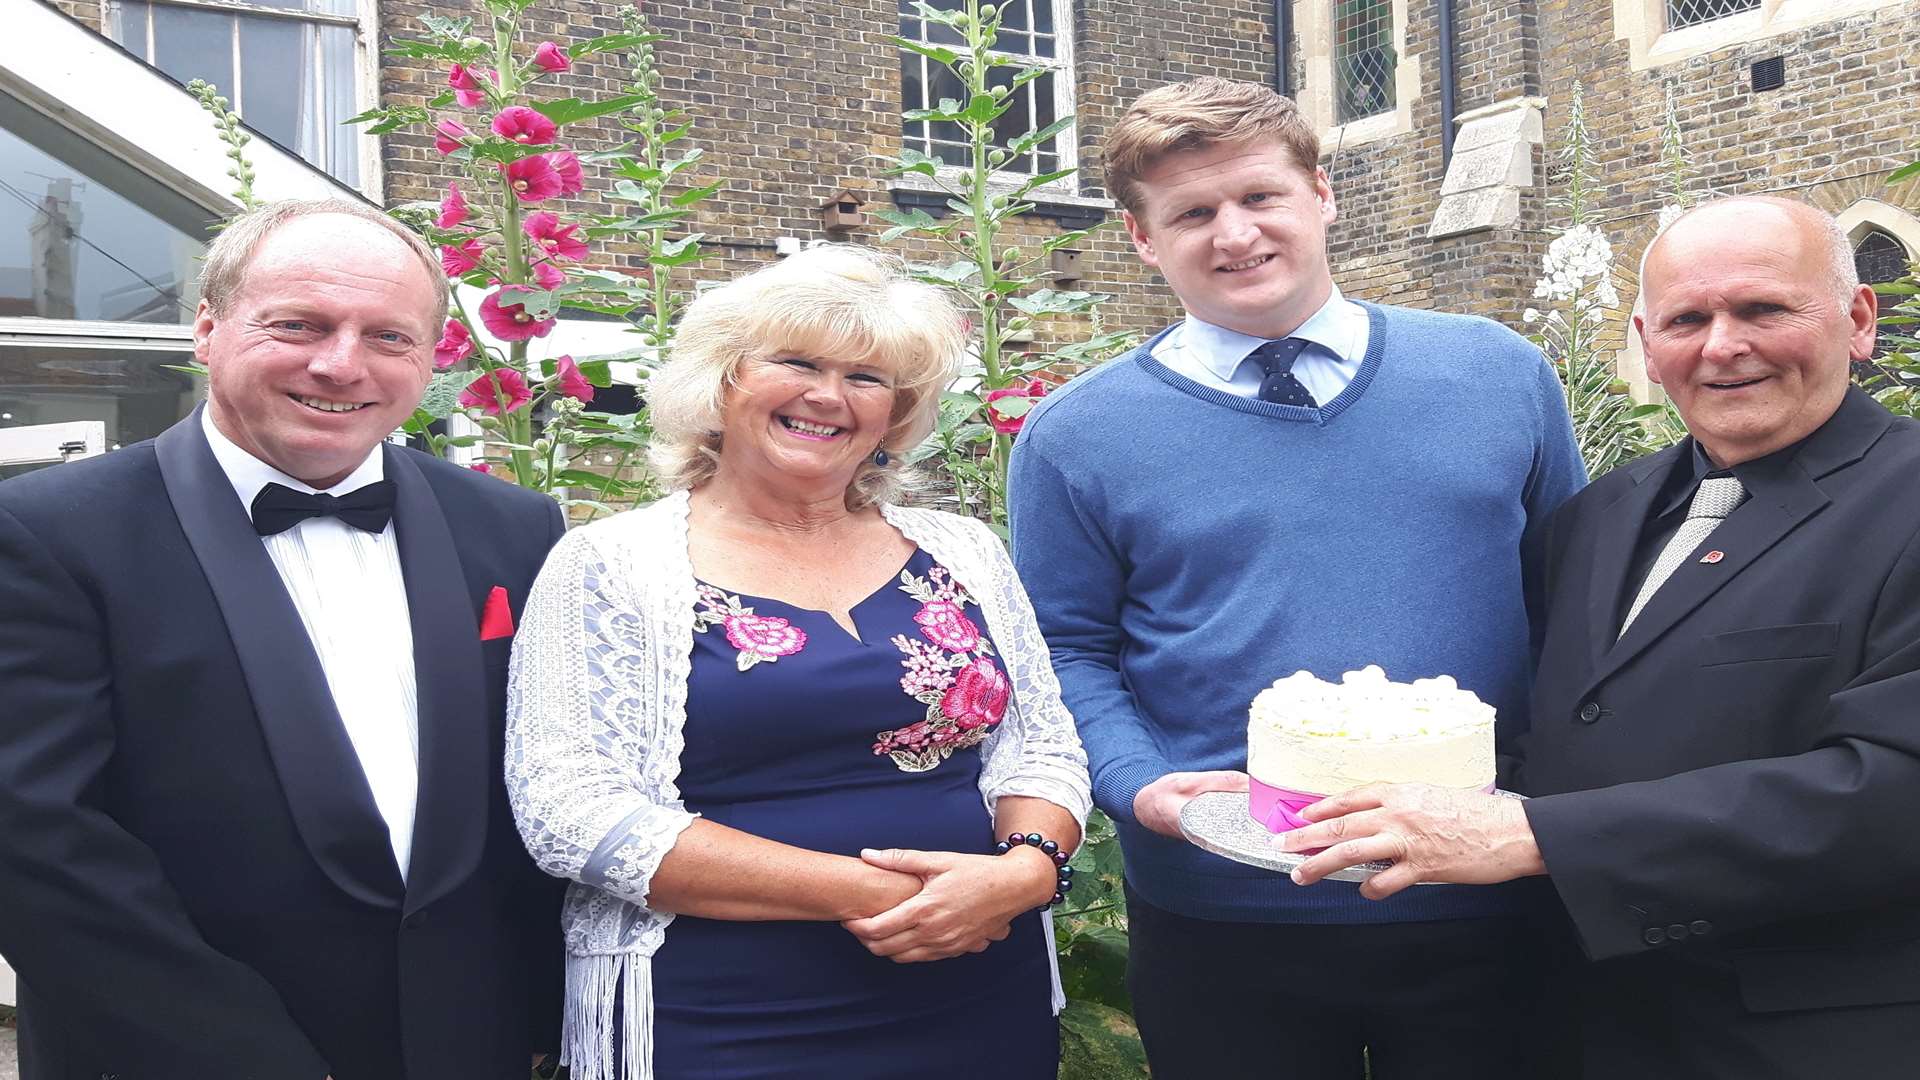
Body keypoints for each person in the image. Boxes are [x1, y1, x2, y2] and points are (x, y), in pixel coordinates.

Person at [1007, 76, 1586, 1078]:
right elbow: (1066, 647)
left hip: (1485, 891)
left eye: (1260, 197)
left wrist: (1556, 815)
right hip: (1223, 911)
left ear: (1321, 194)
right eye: (1191, 213)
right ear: (1144, 240)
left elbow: (1574, 601)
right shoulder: (1077, 438)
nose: (1234, 234)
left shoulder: (1498, 375)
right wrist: (1140, 787)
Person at [1285, 195, 1920, 1079]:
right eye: (1686, 319)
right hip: (1571, 1028)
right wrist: (1320, 790)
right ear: (1647, 345)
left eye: (1763, 308)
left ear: (1856, 320)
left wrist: (1538, 838)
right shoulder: (1596, 517)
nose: (1722, 345)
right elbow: (1562, 738)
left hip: (1802, 1039)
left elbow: (1893, 792)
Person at [0, 199, 566, 1079]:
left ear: (430, 357)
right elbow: (37, 843)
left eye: (389, 337)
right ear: (208, 328)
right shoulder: (47, 532)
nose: (342, 365)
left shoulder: (517, 529)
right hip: (174, 1054)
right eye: (298, 324)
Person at [505, 244, 1091, 1080]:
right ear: (722, 382)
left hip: (976, 983)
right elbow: (570, 812)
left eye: (867, 377)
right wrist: (879, 895)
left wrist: (1029, 868)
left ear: (898, 411)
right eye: (796, 362)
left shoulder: (961, 550)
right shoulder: (608, 564)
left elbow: (1042, 743)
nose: (828, 396)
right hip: (724, 1009)